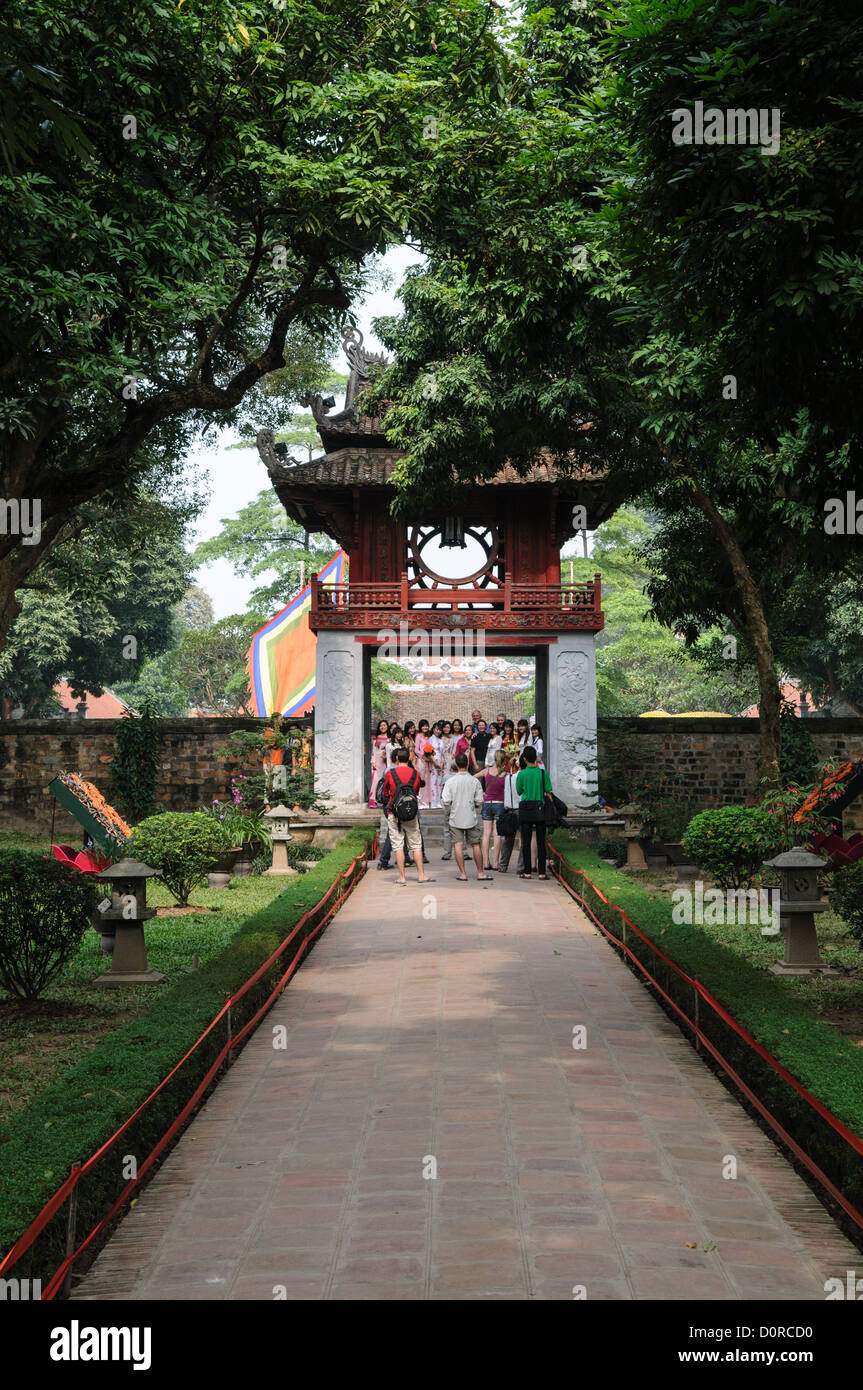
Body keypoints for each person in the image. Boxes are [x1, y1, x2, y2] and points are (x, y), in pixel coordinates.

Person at [381, 747, 433, 885]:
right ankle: (421, 875)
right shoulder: (415, 773)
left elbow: (386, 793)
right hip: (411, 813)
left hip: (394, 813)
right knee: (416, 844)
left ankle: (402, 877)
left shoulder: (390, 773)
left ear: (396, 758)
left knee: (398, 845)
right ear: (409, 758)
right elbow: (415, 790)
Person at [442, 753, 492, 881]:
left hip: (455, 816)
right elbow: (479, 800)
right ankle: (480, 873)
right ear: (468, 764)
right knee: (476, 844)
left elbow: (446, 800)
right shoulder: (474, 781)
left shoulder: (450, 781)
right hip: (471, 817)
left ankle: (463, 874)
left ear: (456, 765)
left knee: (458, 845)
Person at [516, 745, 553, 879]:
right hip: (540, 809)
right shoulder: (543, 773)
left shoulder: (522, 774)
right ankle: (542, 873)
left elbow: (519, 791)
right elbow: (548, 791)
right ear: (535, 758)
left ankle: (527, 872)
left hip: (526, 808)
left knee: (525, 842)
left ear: (524, 759)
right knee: (540, 842)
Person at [474, 749, 508, 871]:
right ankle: (495, 862)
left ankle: (486, 862)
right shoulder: (505, 774)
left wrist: (480, 793)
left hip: (487, 803)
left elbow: (473, 778)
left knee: (486, 833)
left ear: (494, 758)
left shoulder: (486, 771)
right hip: (500, 804)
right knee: (497, 833)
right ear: (504, 760)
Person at [369, 718, 389, 807]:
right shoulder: (375, 738)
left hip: (386, 761)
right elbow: (373, 751)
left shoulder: (390, 739)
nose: (382, 727)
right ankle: (373, 800)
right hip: (377, 761)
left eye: (384, 725)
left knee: (385, 780)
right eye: (381, 726)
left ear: (387, 727)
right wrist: (373, 762)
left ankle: (383, 800)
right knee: (375, 781)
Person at [414, 719, 434, 807]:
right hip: (421, 761)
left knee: (428, 780)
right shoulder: (418, 736)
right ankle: (421, 801)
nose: (425, 727)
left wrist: (431, 755)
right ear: (420, 727)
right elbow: (416, 750)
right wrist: (423, 756)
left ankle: (427, 801)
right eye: (423, 726)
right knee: (421, 780)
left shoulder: (429, 737)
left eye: (426, 726)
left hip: (429, 762)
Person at [429, 720, 446, 807]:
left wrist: (442, 762)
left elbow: (443, 752)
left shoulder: (441, 740)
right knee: (433, 782)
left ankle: (438, 801)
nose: (438, 731)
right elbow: (428, 752)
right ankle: (433, 802)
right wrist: (434, 762)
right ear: (433, 729)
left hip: (440, 761)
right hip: (433, 762)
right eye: (437, 729)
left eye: (440, 730)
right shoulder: (430, 739)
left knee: (439, 781)